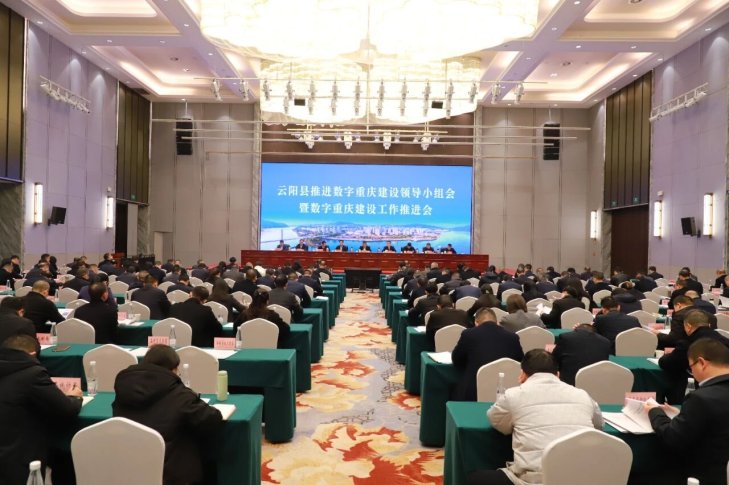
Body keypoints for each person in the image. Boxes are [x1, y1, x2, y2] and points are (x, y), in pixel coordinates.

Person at [471, 350, 603, 485]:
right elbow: (598, 426)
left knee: (476, 478)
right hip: (581, 478)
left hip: (535, 480)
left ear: (522, 374)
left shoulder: (514, 395)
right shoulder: (583, 395)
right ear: (558, 375)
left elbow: (496, 420)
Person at [113, 344, 223, 484]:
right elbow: (212, 419)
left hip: (129, 471)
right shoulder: (180, 395)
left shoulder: (124, 388)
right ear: (173, 370)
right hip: (171, 475)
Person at [0, 334, 82, 485]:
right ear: (33, 354)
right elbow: (67, 409)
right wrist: (75, 397)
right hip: (19, 458)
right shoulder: (32, 374)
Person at [646, 339, 729, 485]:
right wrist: (681, 412)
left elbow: (672, 437)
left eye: (691, 368)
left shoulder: (701, 398)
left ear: (702, 363)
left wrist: (654, 411)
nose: (692, 373)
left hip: (702, 476)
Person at [451, 307, 524, 401]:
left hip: (474, 392)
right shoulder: (513, 337)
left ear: (476, 322)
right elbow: (520, 363)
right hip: (507, 390)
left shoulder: (468, 334)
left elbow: (456, 360)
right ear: (496, 322)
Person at [659, 310, 729, 404]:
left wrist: (665, 356)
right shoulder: (725, 341)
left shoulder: (688, 343)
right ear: (708, 325)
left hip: (696, 392)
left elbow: (668, 363)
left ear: (688, 326)